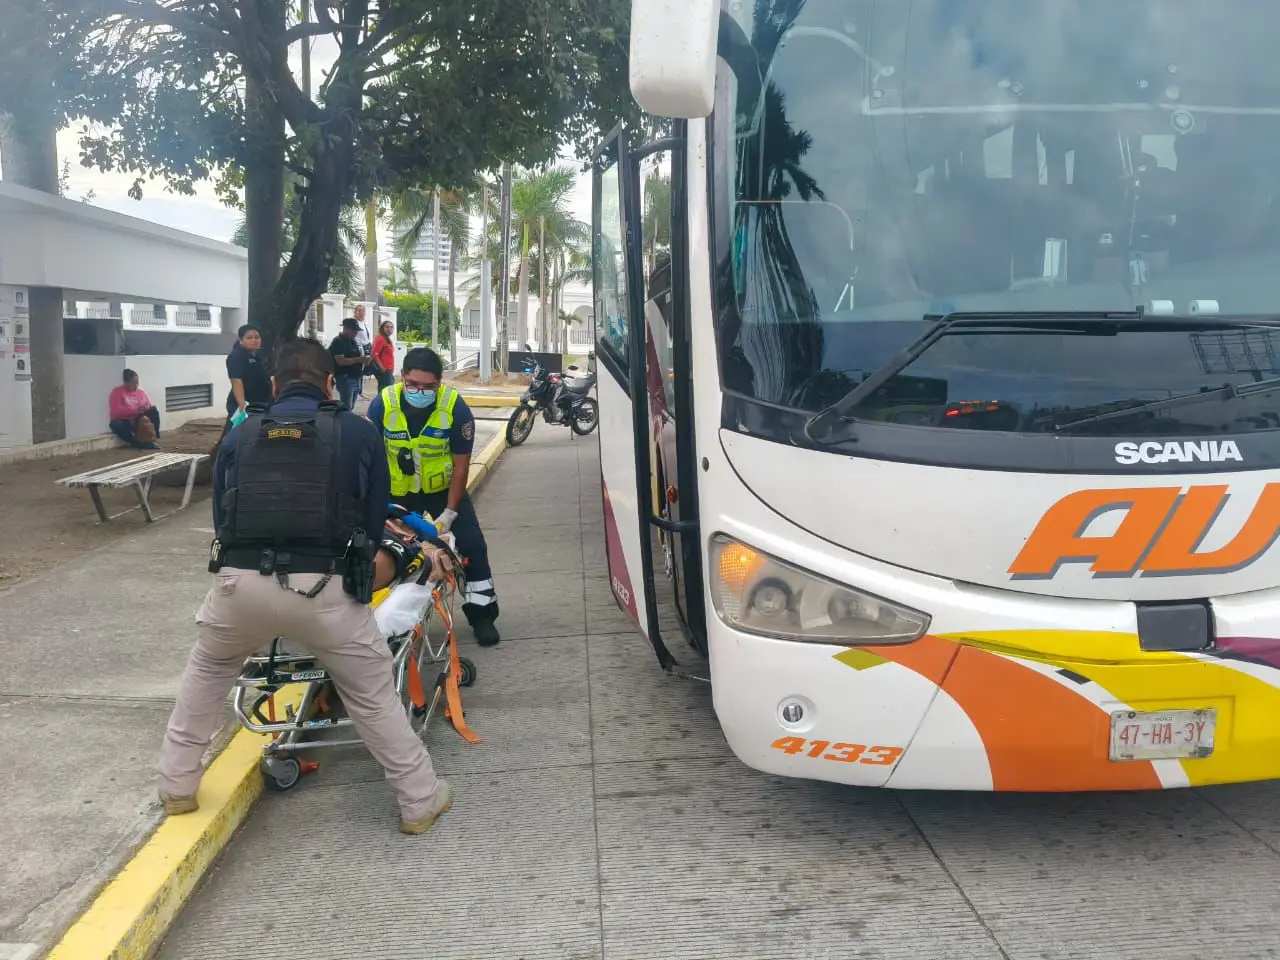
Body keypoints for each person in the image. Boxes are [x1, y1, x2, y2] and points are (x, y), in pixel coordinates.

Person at [157, 337, 453, 834]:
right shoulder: (357, 433)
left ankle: (176, 787)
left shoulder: (239, 433)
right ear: (330, 383)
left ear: (272, 385)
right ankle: (419, 800)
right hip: (325, 592)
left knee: (207, 673)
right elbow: (373, 513)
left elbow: (221, 522)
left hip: (239, 586)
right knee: (371, 695)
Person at [367, 347, 501, 646]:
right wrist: (378, 508)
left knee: (471, 545)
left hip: (441, 490)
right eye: (413, 384)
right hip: (398, 493)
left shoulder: (454, 407)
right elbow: (372, 460)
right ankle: (379, 618)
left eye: (428, 387)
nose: (420, 391)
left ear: (440, 383)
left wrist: (450, 513)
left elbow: (461, 464)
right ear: (402, 377)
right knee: (380, 548)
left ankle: (482, 615)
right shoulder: (382, 405)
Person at [225, 324, 272, 420]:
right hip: (244, 404)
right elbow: (236, 381)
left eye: (257, 337)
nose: (254, 340)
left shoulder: (258, 356)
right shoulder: (237, 356)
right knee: (239, 431)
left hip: (260, 403)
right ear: (241, 340)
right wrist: (242, 405)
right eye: (249, 338)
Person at [108, 368, 161, 449]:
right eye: (133, 383)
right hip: (126, 420)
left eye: (137, 383)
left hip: (140, 419)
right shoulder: (117, 392)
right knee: (115, 424)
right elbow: (116, 411)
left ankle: (153, 438)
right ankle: (135, 442)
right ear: (126, 383)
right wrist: (134, 411)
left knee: (153, 411)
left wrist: (144, 409)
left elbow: (148, 405)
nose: (136, 385)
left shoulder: (140, 392)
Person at [329, 317, 366, 410]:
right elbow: (341, 361)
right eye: (354, 331)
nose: (356, 333)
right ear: (346, 329)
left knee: (351, 407)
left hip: (356, 377)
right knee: (346, 408)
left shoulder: (353, 342)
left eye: (356, 331)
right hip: (346, 378)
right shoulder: (338, 341)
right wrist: (359, 359)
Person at [371, 319, 396, 393]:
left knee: (387, 390)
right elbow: (374, 354)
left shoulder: (386, 339)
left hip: (389, 369)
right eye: (387, 327)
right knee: (385, 391)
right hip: (384, 369)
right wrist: (382, 368)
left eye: (391, 327)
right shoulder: (381, 338)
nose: (389, 329)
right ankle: (381, 404)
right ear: (382, 328)